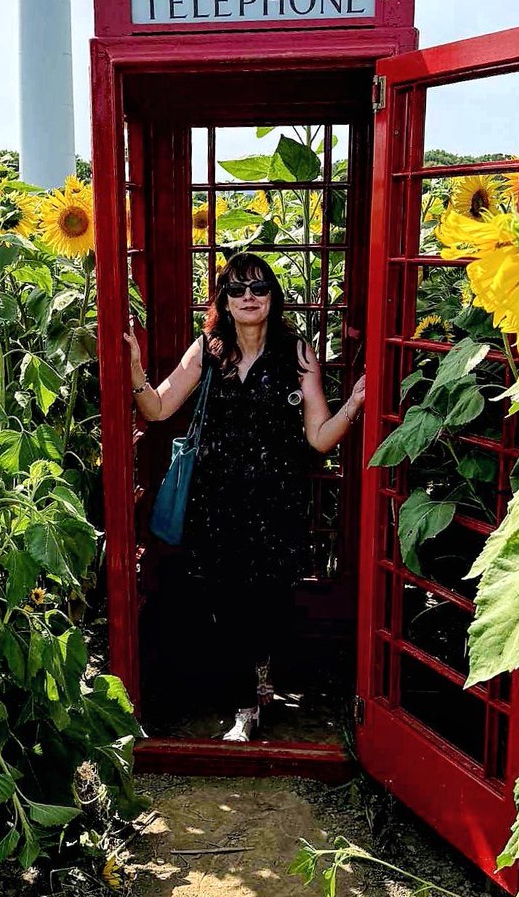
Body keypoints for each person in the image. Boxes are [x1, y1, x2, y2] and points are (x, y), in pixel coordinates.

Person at [123, 252, 365, 742]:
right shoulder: (209, 349)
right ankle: (243, 703)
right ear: (224, 301)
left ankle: (261, 685)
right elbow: (159, 404)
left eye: (258, 288)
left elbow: (318, 436)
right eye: (237, 290)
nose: (248, 297)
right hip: (216, 503)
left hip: (276, 502)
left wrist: (357, 403)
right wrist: (133, 369)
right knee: (224, 603)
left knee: (269, 601)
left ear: (272, 297)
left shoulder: (295, 352)